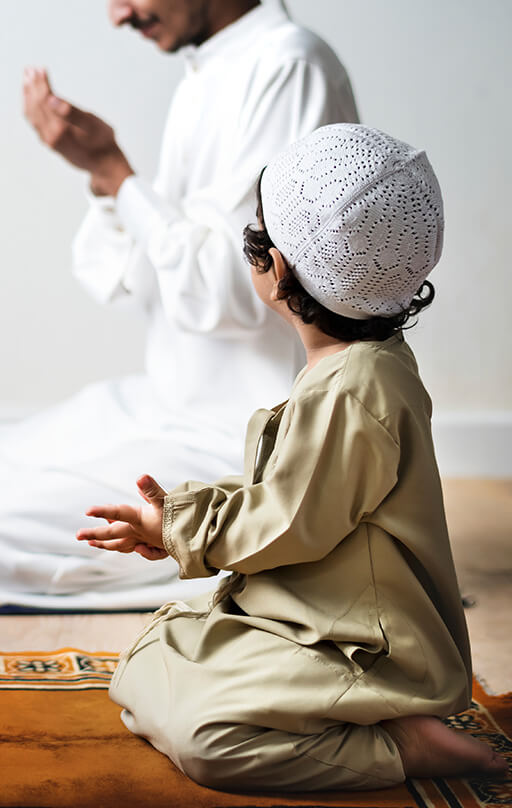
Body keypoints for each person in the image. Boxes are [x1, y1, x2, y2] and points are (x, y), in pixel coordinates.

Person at [77, 124, 508, 790]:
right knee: (147, 662)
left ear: (275, 271)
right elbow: (296, 491)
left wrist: (182, 530)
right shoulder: (355, 367)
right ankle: (346, 714)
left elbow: (291, 516)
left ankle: (399, 744)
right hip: (312, 613)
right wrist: (186, 515)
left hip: (366, 645)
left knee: (207, 738)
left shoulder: (358, 386)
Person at [1, 0, 358, 610]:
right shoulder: (207, 74)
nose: (118, 15)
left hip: (243, 440)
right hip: (163, 401)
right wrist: (106, 181)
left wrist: (117, 175)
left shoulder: (289, 67)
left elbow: (246, 293)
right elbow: (149, 279)